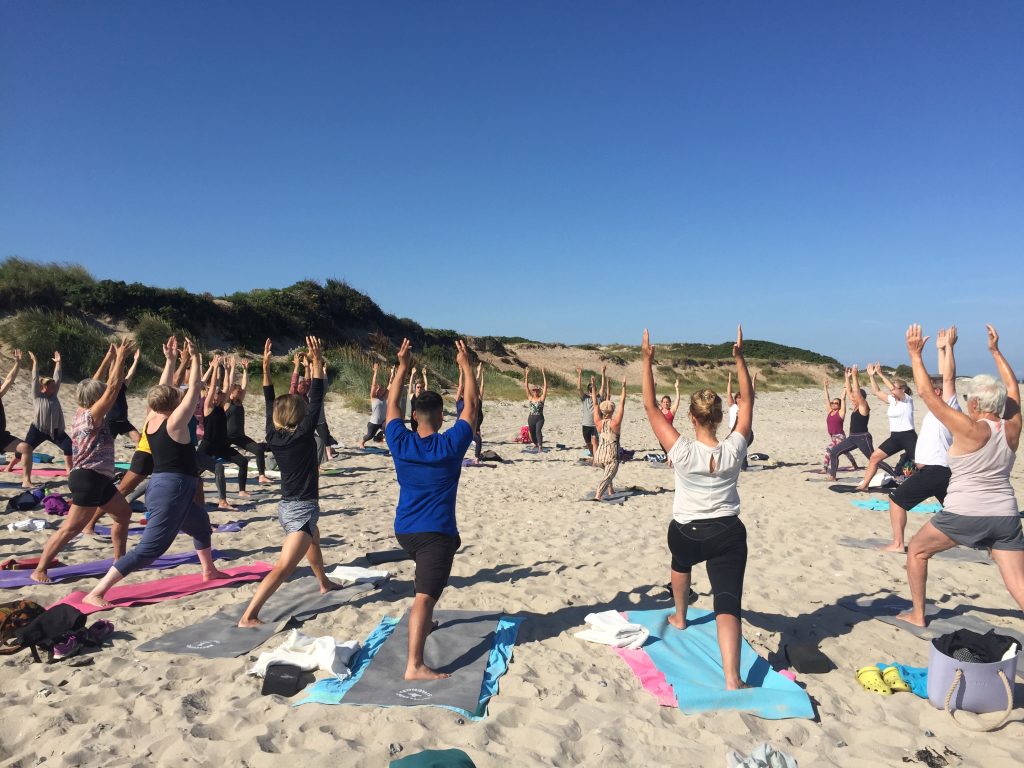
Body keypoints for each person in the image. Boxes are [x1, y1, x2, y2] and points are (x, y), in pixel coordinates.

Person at [641, 325, 753, 690]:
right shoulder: (735, 447)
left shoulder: (683, 450)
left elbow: (649, 406)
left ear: (691, 417)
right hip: (727, 534)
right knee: (727, 603)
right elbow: (748, 402)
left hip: (687, 532)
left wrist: (647, 361)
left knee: (680, 560)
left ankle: (680, 616)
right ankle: (732, 678)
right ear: (721, 417)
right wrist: (739, 359)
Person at [83, 339, 229, 608]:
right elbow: (195, 388)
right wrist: (196, 358)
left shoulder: (151, 416)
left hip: (172, 487)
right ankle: (97, 592)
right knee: (149, 550)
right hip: (171, 489)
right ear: (174, 403)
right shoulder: (175, 422)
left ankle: (209, 570)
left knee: (201, 525)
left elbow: (161, 389)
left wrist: (171, 359)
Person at [897, 324, 1023, 627]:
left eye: (969, 399)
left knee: (916, 551)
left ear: (975, 404)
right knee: (1018, 583)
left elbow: (927, 393)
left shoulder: (969, 429)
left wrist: (915, 355)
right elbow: (1014, 390)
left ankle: (918, 614)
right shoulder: (1013, 428)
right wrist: (995, 351)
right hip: (1006, 517)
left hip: (964, 514)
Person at [385, 337, 478, 680]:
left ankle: (428, 622)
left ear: (414, 417)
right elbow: (471, 406)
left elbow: (390, 403)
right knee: (424, 596)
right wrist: (465, 366)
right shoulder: (450, 445)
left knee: (426, 581)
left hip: (404, 530)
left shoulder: (399, 440)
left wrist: (403, 366)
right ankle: (415, 666)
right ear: (440, 416)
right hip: (434, 534)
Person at [238, 337, 342, 627]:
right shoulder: (302, 435)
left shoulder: (273, 436)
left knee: (315, 541)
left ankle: (323, 582)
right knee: (284, 567)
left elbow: (270, 398)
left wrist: (266, 366)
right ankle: (250, 615)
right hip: (299, 511)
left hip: (290, 507)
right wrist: (318, 360)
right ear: (300, 416)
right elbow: (318, 397)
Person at [31, 339, 136, 582]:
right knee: (71, 527)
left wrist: (108, 359)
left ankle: (119, 560)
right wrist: (120, 359)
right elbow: (111, 388)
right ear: (95, 400)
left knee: (123, 514)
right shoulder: (91, 417)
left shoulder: (82, 408)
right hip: (87, 478)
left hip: (98, 478)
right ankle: (40, 569)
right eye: (100, 397)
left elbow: (93, 383)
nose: (106, 400)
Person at [881, 327, 962, 552]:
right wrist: (940, 349)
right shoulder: (938, 410)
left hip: (935, 470)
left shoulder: (948, 406)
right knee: (959, 512)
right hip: (939, 470)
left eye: (929, 387)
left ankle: (898, 544)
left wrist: (950, 349)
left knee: (896, 501)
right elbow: (942, 377)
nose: (921, 389)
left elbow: (948, 379)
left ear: (938, 393)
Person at [6, 350, 73, 484]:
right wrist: (35, 362)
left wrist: (58, 363)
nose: (55, 387)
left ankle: (69, 470)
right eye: (52, 386)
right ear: (43, 387)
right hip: (38, 429)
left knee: (68, 446)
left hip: (55, 430)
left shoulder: (53, 395)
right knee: (23, 449)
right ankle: (10, 466)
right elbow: (35, 378)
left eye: (54, 386)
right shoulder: (37, 396)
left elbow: (58, 377)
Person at [196, 357, 250, 510]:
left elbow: (229, 385)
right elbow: (214, 386)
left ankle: (227, 499)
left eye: (221, 393)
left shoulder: (221, 406)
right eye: (218, 393)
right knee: (193, 473)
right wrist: (214, 368)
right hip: (207, 445)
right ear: (211, 394)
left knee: (242, 461)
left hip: (220, 445)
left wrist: (230, 369)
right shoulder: (208, 406)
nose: (220, 394)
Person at [854, 363, 917, 490]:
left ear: (903, 390)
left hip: (908, 436)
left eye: (895, 388)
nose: (891, 391)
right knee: (874, 457)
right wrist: (872, 376)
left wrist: (881, 374)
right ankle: (864, 485)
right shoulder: (893, 401)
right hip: (895, 437)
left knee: (921, 464)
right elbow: (877, 391)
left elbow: (893, 389)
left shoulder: (907, 400)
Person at [225, 356, 271, 484]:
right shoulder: (227, 403)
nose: (239, 393)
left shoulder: (239, 402)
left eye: (240, 392)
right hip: (225, 437)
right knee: (210, 455)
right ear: (231, 393)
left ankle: (261, 475)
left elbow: (244, 386)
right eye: (237, 391)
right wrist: (232, 368)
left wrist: (245, 370)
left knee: (259, 450)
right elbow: (228, 385)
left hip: (239, 437)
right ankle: (196, 473)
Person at [825, 366, 874, 481]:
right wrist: (846, 377)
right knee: (834, 452)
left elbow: (855, 391)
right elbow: (849, 391)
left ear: (860, 397)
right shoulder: (855, 407)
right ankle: (832, 475)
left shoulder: (863, 406)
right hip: (852, 437)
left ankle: (895, 475)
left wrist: (855, 377)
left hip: (863, 438)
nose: (852, 398)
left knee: (874, 459)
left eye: (855, 397)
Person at [93, 343, 143, 444]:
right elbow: (112, 374)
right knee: (105, 445)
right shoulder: (108, 387)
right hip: (111, 422)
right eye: (119, 374)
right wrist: (115, 358)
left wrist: (136, 360)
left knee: (139, 440)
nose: (121, 375)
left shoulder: (123, 386)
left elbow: (130, 373)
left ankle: (140, 460)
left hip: (123, 421)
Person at [0, 349, 34, 488]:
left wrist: (18, 363)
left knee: (26, 448)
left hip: (2, 437)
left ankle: (26, 480)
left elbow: (9, 380)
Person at [592, 378, 627, 500]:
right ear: (612, 411)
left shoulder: (598, 422)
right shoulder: (615, 423)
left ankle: (610, 489)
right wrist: (623, 387)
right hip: (611, 455)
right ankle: (598, 495)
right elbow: (622, 403)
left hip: (599, 455)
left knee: (607, 471)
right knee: (608, 474)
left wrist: (594, 387)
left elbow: (595, 403)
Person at [822, 373, 858, 472]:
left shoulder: (841, 413)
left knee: (829, 449)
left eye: (836, 403)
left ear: (839, 405)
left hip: (840, 436)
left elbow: (843, 398)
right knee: (845, 451)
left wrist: (845, 388)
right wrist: (825, 387)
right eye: (832, 403)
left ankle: (825, 468)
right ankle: (855, 465)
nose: (833, 404)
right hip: (833, 436)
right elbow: (826, 399)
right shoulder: (830, 411)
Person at [358, 362, 389, 448]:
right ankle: (361, 442)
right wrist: (375, 372)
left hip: (383, 421)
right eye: (378, 389)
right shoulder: (374, 398)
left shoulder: (384, 397)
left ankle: (386, 441)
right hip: (374, 422)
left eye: (381, 389)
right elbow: (373, 385)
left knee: (389, 429)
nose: (379, 390)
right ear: (376, 391)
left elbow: (390, 385)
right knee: (369, 436)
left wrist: (393, 373)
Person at [524, 367, 547, 452]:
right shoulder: (530, 398)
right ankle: (535, 444)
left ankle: (540, 446)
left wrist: (543, 374)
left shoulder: (541, 398)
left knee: (538, 431)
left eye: (537, 390)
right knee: (532, 432)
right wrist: (526, 374)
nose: (535, 392)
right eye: (534, 390)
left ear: (539, 391)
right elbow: (526, 386)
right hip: (531, 417)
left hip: (539, 418)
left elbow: (545, 387)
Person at [577, 367, 599, 458]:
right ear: (587, 390)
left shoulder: (597, 398)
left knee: (594, 440)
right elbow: (579, 388)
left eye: (592, 389)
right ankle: (593, 453)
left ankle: (596, 456)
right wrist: (579, 375)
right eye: (589, 389)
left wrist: (594, 384)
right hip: (586, 424)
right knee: (588, 441)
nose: (591, 391)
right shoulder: (584, 398)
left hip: (595, 424)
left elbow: (603, 389)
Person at [407, 365, 427, 433]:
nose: (419, 389)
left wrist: (424, 375)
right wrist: (412, 374)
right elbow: (410, 384)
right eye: (418, 387)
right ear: (415, 388)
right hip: (413, 419)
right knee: (415, 433)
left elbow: (426, 385)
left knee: (422, 433)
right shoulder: (411, 395)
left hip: (421, 418)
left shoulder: (423, 395)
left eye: (420, 387)